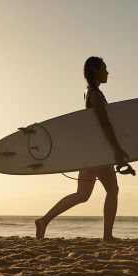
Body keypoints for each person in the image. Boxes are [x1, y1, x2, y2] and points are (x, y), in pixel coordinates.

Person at [35, 57, 130, 241]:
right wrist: (117, 150)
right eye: (104, 68)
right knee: (113, 190)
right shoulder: (95, 94)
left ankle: (44, 221)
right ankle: (107, 236)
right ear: (95, 70)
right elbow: (105, 124)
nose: (108, 72)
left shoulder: (88, 92)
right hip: (97, 152)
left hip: (89, 153)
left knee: (82, 195)